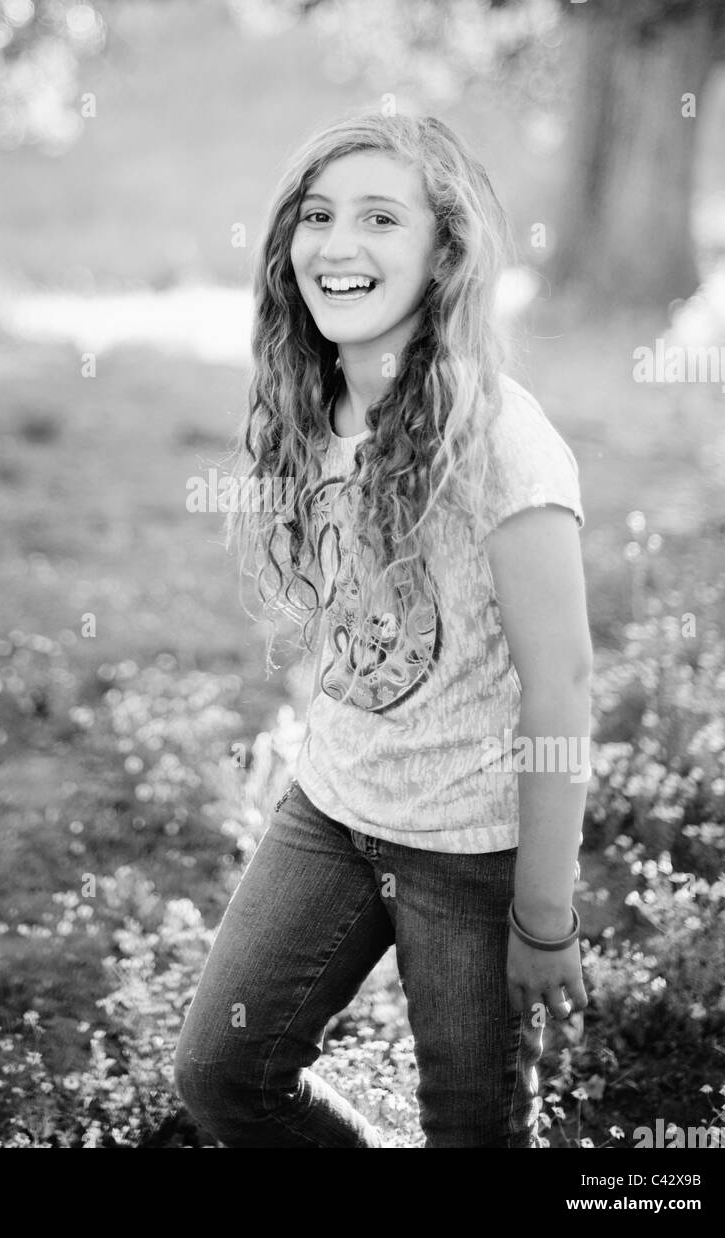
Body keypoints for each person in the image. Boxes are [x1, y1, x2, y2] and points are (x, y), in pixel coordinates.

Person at [172, 109, 593, 1148]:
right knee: (223, 1073)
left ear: (443, 254)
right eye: (316, 216)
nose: (337, 244)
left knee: (473, 1129)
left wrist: (543, 917)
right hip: (332, 812)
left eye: (378, 218)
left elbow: (564, 688)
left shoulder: (501, 442)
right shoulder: (317, 406)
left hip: (471, 853)